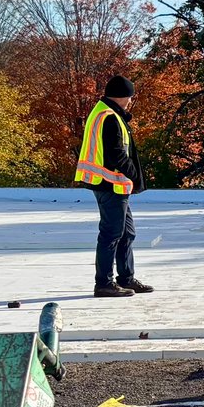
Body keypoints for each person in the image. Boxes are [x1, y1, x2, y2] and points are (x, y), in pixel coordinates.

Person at [73, 75, 150, 298]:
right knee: (111, 233)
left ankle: (126, 278)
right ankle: (104, 283)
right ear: (126, 97)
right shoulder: (109, 117)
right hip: (109, 184)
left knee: (127, 233)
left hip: (114, 185)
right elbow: (117, 154)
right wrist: (135, 176)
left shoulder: (106, 112)